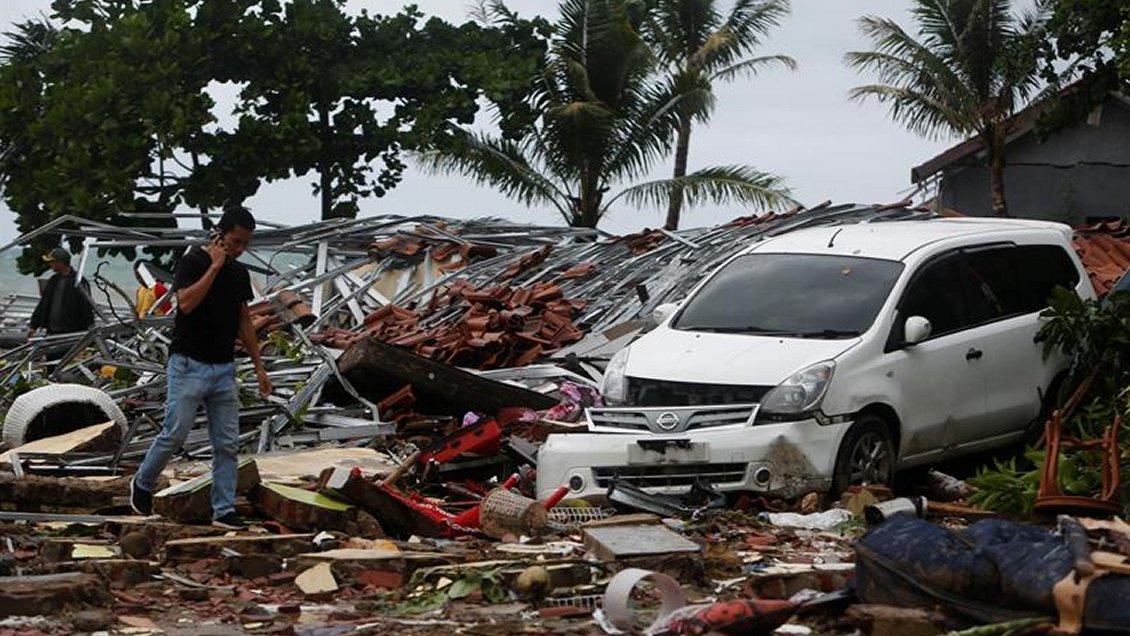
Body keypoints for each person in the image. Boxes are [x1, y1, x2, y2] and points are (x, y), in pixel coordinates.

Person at [130, 206, 272, 530]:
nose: (238, 249)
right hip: (188, 364)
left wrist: (259, 366)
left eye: (244, 244)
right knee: (175, 432)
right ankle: (143, 481)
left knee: (226, 443)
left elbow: (244, 321)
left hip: (223, 369)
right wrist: (214, 267)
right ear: (220, 234)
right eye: (235, 241)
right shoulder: (193, 260)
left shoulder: (239, 274)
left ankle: (223, 511)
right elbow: (187, 304)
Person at [27, 247, 95, 338]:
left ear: (61, 262)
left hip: (72, 332)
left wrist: (87, 332)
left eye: (52, 262)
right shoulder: (53, 280)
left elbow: (86, 309)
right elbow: (43, 304)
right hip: (52, 331)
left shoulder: (79, 281)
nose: (50, 264)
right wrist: (33, 326)